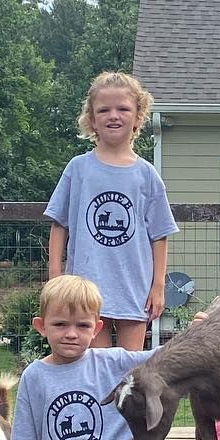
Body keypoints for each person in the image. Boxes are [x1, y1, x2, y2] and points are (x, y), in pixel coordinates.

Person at [0, 275, 207, 440]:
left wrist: (191, 336)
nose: (71, 333)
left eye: (82, 326)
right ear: (41, 326)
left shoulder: (113, 361)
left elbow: (163, 357)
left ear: (96, 329)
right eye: (60, 324)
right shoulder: (34, 376)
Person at [45, 71, 177, 351]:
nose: (113, 115)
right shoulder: (78, 169)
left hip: (134, 290)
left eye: (123, 109)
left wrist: (158, 286)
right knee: (92, 367)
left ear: (138, 116)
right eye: (104, 109)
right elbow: (59, 225)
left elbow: (160, 234)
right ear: (92, 118)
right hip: (85, 290)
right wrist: (55, 276)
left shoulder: (147, 175)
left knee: (130, 372)